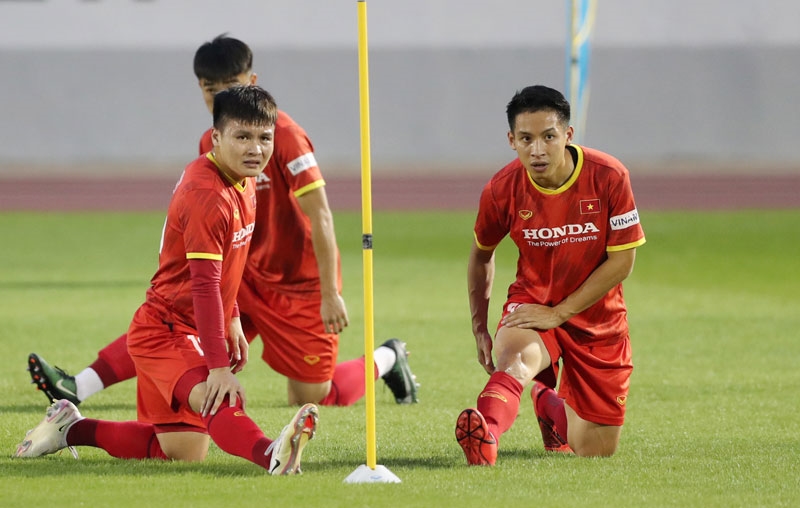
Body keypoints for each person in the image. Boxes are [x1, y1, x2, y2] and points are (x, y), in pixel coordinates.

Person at [27, 34, 418, 408]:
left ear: (251, 80)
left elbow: (321, 214)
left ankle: (388, 357)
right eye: (209, 88)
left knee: (311, 397)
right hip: (245, 275)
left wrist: (330, 292)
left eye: (229, 85)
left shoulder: (283, 136)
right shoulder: (213, 141)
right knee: (174, 319)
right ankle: (79, 385)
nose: (219, 96)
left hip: (298, 286)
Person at [16, 86, 319, 475]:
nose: (255, 149)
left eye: (264, 138)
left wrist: (232, 316)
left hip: (187, 326)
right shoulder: (208, 194)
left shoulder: (243, 180)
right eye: (242, 137)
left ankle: (70, 428)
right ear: (216, 137)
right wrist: (217, 366)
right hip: (166, 331)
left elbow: (230, 264)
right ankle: (273, 455)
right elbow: (204, 286)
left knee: (179, 451)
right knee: (217, 395)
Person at [455, 85, 646, 465]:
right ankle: (485, 438)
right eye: (526, 139)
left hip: (597, 316)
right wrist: (479, 328)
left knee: (595, 449)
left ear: (568, 135)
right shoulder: (501, 189)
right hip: (533, 301)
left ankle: (547, 402)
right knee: (515, 358)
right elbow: (481, 256)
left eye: (548, 137)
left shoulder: (609, 176)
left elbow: (622, 262)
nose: (537, 150)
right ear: (512, 140)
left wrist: (560, 313)